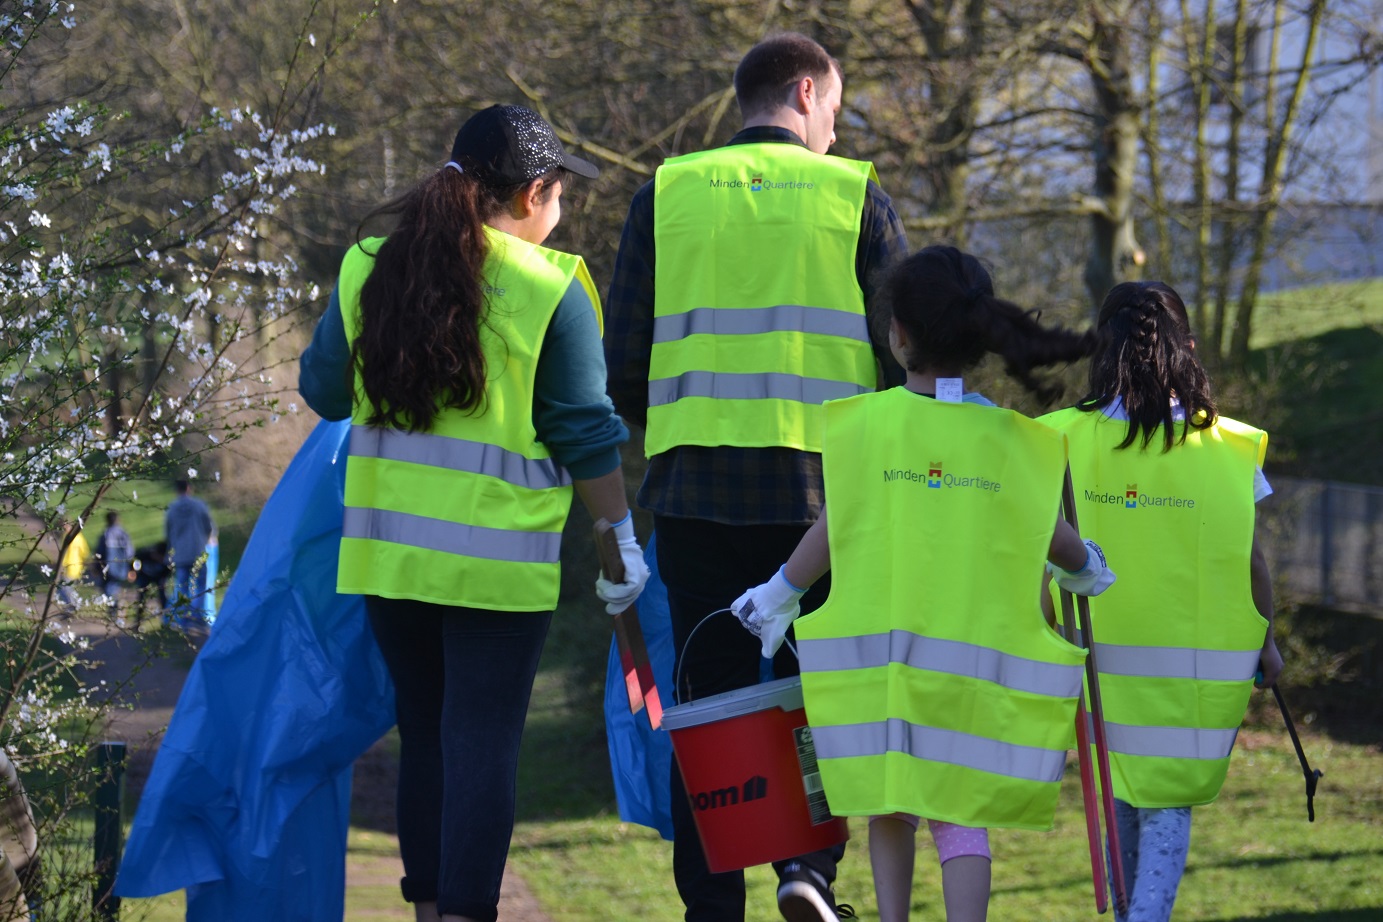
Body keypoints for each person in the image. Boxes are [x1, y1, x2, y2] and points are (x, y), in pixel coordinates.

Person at [298, 103, 649, 922]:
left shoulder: (369, 266)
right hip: (496, 573)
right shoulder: (549, 289)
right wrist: (620, 542)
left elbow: (321, 392)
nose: (561, 213)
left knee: (424, 741)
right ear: (533, 193)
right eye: (561, 194)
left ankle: (428, 912)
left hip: (389, 563)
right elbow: (585, 434)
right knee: (482, 748)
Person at [604, 32, 909, 922]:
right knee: (824, 689)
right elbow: (905, 355)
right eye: (836, 117)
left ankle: (714, 907)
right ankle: (806, 868)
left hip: (695, 494)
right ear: (807, 93)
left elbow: (624, 362)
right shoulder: (855, 196)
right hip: (827, 501)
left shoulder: (664, 196)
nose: (836, 138)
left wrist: (684, 421)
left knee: (710, 700)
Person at [731, 246, 1115, 922]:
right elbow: (1051, 534)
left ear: (896, 334)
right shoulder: (1015, 441)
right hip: (976, 682)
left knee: (890, 801)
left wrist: (779, 591)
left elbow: (835, 529)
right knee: (961, 815)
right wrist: (1084, 564)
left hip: (887, 675)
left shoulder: (864, 427)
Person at [1038, 281, 1282, 922]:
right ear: (1189, 350)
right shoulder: (1227, 451)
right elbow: (1250, 560)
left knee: (1117, 793)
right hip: (1191, 682)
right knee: (1168, 803)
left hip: (1093, 673)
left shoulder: (1057, 439)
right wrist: (1270, 644)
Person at [165, 479, 215, 629]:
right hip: (197, 551)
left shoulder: (172, 508)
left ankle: (182, 618)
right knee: (200, 584)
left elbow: (168, 532)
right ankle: (196, 615)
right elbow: (209, 527)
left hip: (180, 554)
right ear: (189, 488)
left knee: (182, 586)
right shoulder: (199, 505)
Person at [93, 510, 134, 616]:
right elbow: (130, 553)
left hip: (109, 567)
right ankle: (117, 607)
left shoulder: (106, 534)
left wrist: (96, 567)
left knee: (108, 589)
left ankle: (114, 608)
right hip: (122, 567)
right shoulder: (124, 534)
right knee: (115, 587)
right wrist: (131, 569)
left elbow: (99, 553)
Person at [54, 522, 90, 615]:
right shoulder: (76, 537)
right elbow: (85, 552)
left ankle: (72, 607)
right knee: (67, 588)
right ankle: (72, 606)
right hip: (73, 568)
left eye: (66, 526)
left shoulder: (72, 538)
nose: (65, 528)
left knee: (65, 588)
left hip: (70, 568)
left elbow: (82, 553)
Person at [131, 541, 171, 624]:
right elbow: (134, 561)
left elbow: (166, 574)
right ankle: (138, 621)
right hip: (145, 577)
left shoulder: (166, 563)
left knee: (163, 597)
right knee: (142, 597)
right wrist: (133, 572)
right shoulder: (144, 555)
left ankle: (166, 621)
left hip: (158, 578)